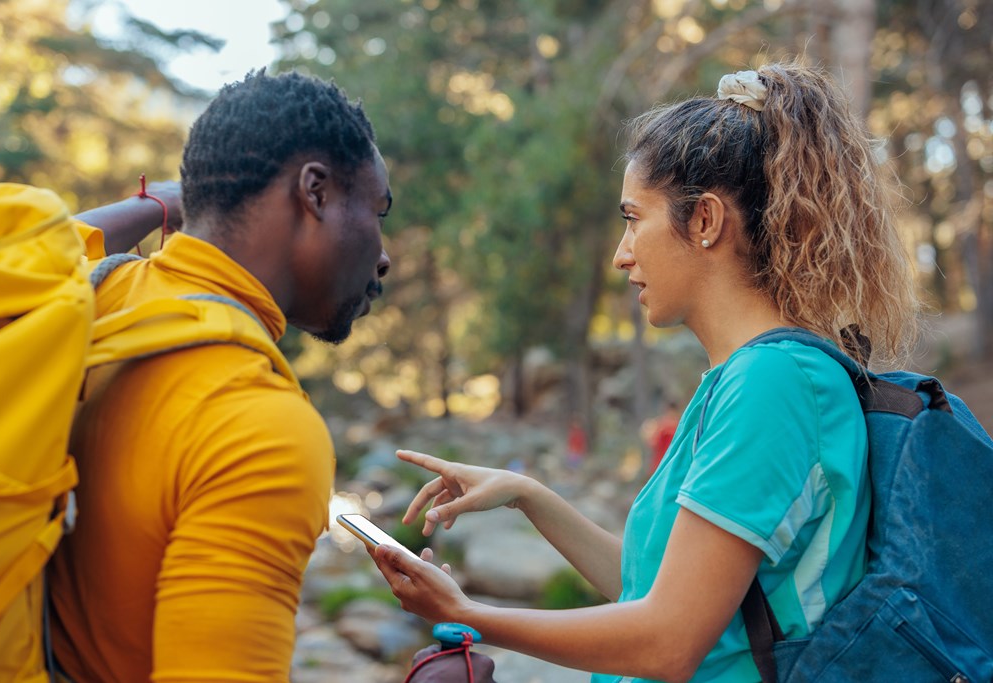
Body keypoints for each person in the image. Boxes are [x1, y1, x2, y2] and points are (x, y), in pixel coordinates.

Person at [370, 61, 918, 683]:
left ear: (705, 221)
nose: (620, 253)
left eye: (634, 219)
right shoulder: (746, 377)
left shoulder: (775, 384)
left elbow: (667, 641)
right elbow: (654, 585)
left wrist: (470, 615)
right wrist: (529, 496)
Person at [49, 70, 392, 683]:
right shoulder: (260, 426)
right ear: (313, 192)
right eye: (377, 210)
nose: (384, 253)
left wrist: (168, 203)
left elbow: (37, 250)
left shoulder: (77, 296)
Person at [641, 401, 680, 474]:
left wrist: (646, 433)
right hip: (674, 463)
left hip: (661, 464)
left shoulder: (662, 426)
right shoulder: (679, 425)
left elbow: (653, 443)